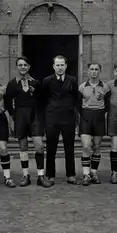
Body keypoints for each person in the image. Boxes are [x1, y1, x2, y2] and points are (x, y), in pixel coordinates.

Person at [5, 57, 51, 188]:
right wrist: (13, 118)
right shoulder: (13, 83)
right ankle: (26, 176)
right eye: (20, 65)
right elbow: (8, 102)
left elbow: (43, 100)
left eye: (25, 65)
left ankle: (41, 176)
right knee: (23, 147)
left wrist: (41, 115)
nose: (23, 67)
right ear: (17, 67)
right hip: (20, 116)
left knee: (39, 146)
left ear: (29, 66)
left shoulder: (36, 82)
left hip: (35, 115)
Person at [40, 55, 79, 186]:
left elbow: (75, 99)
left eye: (62, 65)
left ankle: (71, 175)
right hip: (52, 118)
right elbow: (43, 100)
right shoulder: (47, 81)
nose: (60, 67)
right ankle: (50, 175)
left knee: (70, 148)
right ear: (53, 66)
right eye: (57, 65)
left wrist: (74, 114)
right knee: (51, 148)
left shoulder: (72, 80)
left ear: (66, 66)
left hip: (68, 118)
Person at [78, 62, 110, 186]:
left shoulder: (105, 87)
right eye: (92, 69)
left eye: (97, 69)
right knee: (86, 145)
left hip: (99, 117)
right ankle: (86, 174)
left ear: (100, 71)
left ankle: (93, 172)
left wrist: (101, 114)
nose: (94, 71)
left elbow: (107, 105)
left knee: (96, 146)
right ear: (88, 71)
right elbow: (77, 106)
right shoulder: (81, 87)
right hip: (86, 117)